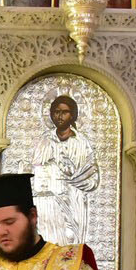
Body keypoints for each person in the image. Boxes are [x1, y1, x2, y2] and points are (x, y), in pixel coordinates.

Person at [29, 94, 98, 246]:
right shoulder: (44, 141)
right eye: (56, 112)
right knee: (49, 243)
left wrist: (72, 175)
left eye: (64, 112)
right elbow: (35, 170)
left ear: (72, 115)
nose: (60, 116)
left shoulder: (81, 143)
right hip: (49, 203)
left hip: (73, 199)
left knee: (71, 240)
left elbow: (91, 176)